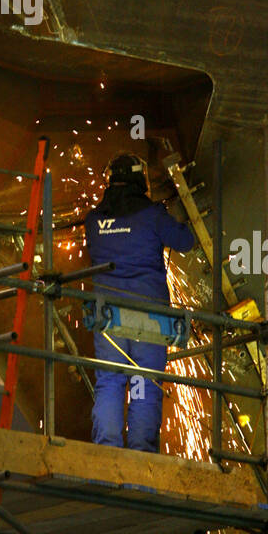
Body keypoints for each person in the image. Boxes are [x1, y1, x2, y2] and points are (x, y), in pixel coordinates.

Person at [84, 154, 194, 452]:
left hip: (108, 318)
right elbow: (185, 241)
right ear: (140, 179)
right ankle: (141, 455)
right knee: (143, 383)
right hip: (150, 317)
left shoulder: (94, 221)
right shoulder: (152, 215)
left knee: (109, 381)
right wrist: (181, 209)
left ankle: (106, 450)